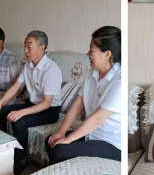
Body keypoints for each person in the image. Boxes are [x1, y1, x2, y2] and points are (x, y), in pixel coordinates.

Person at [46, 26, 121, 164]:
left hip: (111, 144)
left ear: (107, 54)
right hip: (91, 135)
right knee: (51, 140)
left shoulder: (119, 80)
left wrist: (68, 139)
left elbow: (98, 118)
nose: (87, 53)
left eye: (92, 50)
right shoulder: (92, 72)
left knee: (60, 149)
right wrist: (61, 132)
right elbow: (78, 103)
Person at [0, 30, 62, 175]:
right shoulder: (28, 66)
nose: (25, 50)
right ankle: (5, 150)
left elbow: (47, 103)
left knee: (19, 121)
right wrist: (0, 103)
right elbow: (16, 87)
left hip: (50, 110)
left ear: (41, 48)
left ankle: (20, 160)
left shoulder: (51, 69)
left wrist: (21, 112)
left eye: (29, 46)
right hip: (33, 105)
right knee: (0, 112)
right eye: (25, 46)